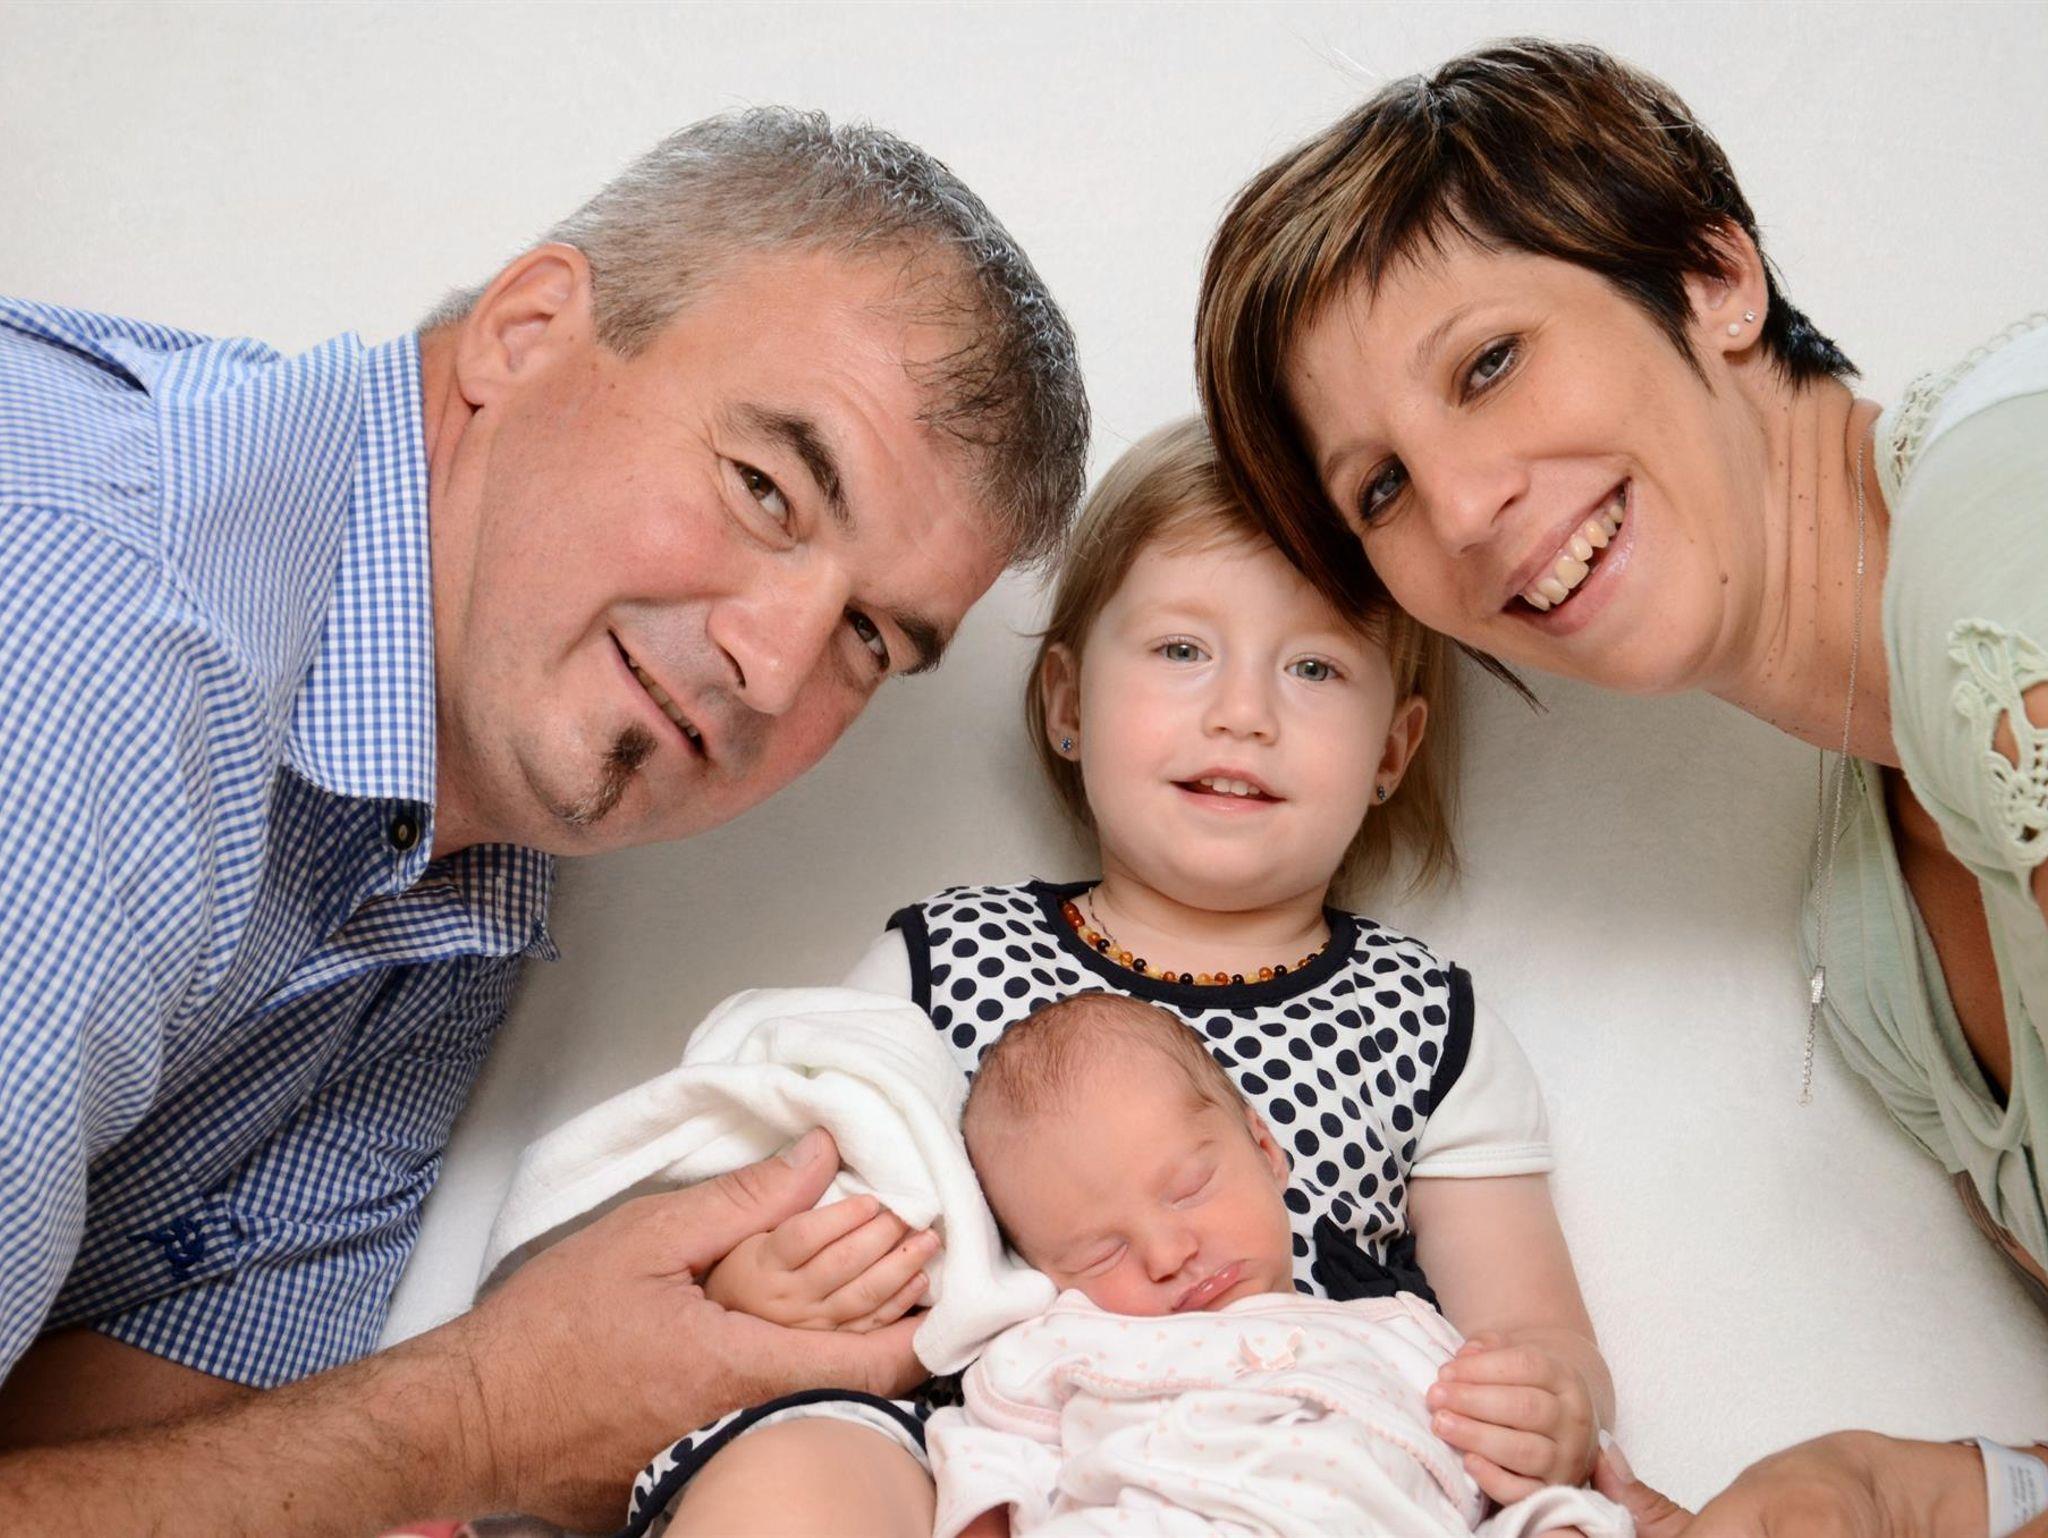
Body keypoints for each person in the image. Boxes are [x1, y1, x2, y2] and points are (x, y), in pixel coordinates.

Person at [0, 107, 1088, 1534]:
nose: (774, 666)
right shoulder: (92, 635)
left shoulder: (468, 874)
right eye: (766, 489)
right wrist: (488, 1413)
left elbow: (147, 1469)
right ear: (523, 333)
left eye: (869, 638)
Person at [1195, 35, 2048, 1538]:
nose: (1463, 507)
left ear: (1716, 278)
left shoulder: (2005, 528)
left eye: (1489, 363)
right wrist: (1903, 1492)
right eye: (1379, 487)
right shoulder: (1870, 944)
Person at [630, 419, 1612, 1538]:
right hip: (978, 1465)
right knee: (797, 1467)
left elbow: (1536, 1331)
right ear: (1067, 702)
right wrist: (762, 1283)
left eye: (1314, 666)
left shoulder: (1421, 1020)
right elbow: (792, 1199)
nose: (1242, 712)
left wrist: (1552, 1402)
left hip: (1315, 1475)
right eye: (1182, 650)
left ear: (1391, 748)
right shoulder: (942, 961)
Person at [925, 989, 1631, 1538]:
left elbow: (1494, 1477)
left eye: (1190, 1189)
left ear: (1265, 1151)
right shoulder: (1058, 1348)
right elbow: (983, 1462)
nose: (1168, 1255)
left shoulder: (1405, 1331)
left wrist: (1547, 1461)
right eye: (1101, 1252)